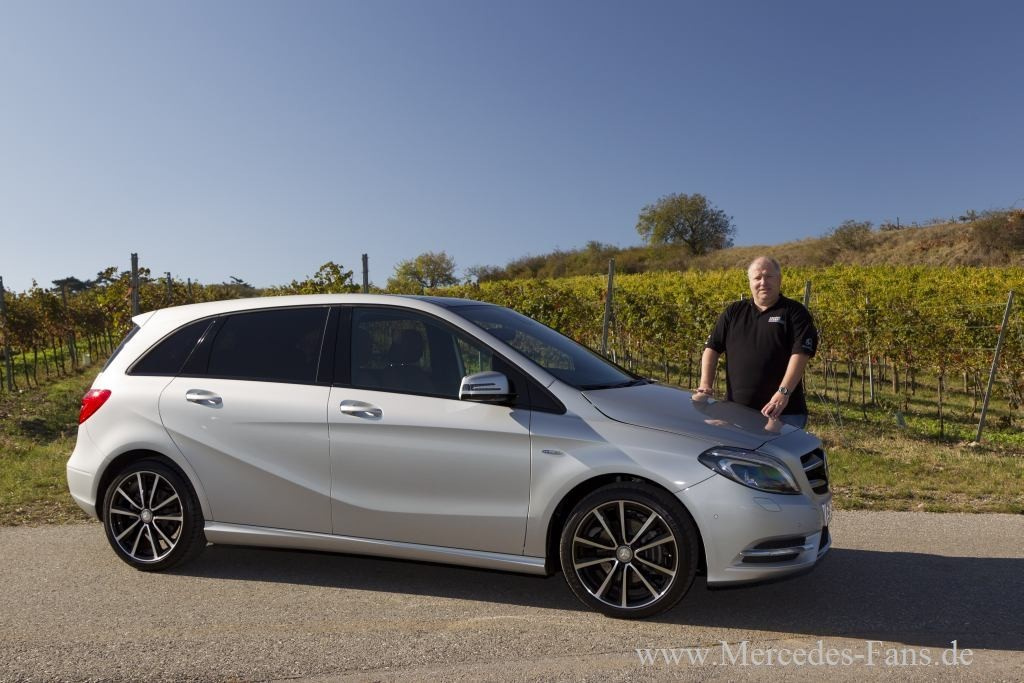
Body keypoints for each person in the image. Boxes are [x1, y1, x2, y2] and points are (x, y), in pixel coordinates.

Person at [693, 256, 818, 428]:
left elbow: (801, 354)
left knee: (777, 447)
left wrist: (783, 392)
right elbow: (712, 348)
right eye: (757, 278)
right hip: (737, 411)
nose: (763, 282)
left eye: (769, 276)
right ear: (750, 282)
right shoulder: (734, 311)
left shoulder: (795, 312)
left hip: (782, 412)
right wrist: (705, 384)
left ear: (779, 279)